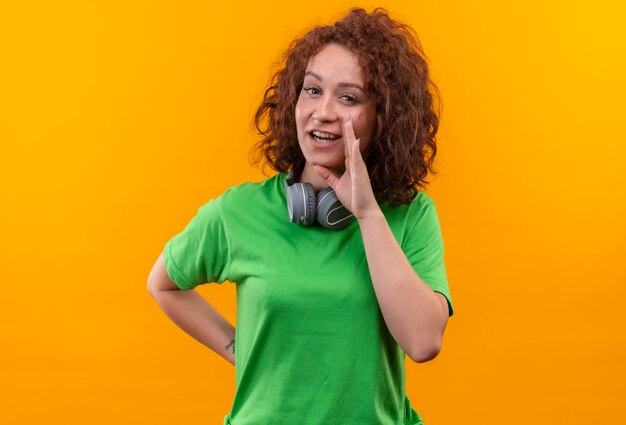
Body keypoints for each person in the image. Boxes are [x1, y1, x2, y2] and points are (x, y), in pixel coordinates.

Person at [147, 7, 454, 425]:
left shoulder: (411, 216)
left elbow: (422, 342)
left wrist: (366, 213)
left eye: (348, 97)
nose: (323, 111)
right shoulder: (238, 212)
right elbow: (163, 284)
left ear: (383, 116)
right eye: (312, 90)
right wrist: (239, 349)